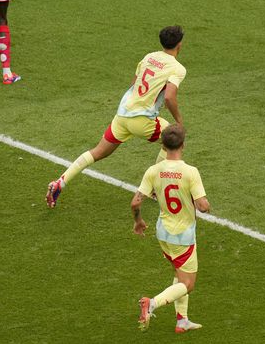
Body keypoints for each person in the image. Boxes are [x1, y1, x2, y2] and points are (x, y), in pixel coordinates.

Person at [45, 25, 186, 208]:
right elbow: (169, 97)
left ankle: (60, 183)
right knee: (174, 138)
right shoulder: (177, 68)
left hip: (123, 114)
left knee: (98, 152)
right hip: (142, 119)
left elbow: (134, 83)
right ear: (179, 44)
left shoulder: (149, 57)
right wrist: (179, 122)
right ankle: (153, 187)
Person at [132, 124, 210, 333]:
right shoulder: (190, 172)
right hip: (183, 235)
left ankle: (182, 320)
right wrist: (204, 205)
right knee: (188, 284)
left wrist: (138, 221)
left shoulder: (153, 171)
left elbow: (135, 202)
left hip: (163, 232)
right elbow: (203, 206)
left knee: (178, 272)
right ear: (183, 145)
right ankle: (152, 303)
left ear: (163, 146)